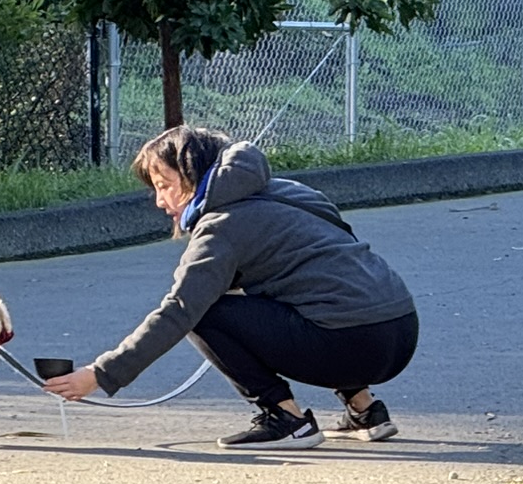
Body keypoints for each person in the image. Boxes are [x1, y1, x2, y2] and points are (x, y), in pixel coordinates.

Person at [40, 125, 419, 448]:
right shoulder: (289, 190)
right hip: (400, 330)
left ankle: (285, 418)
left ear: (192, 176)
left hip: (350, 343)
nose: (159, 201)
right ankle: (366, 410)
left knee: (205, 313)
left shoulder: (221, 226)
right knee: (311, 301)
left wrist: (100, 374)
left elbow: (179, 311)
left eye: (164, 185)